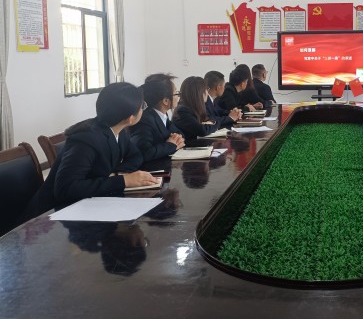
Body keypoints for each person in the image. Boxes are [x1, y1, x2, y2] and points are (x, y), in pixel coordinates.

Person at [21, 82, 159, 221]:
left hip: (84, 206)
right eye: (142, 106)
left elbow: (135, 156)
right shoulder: (86, 140)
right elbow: (66, 189)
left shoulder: (117, 130)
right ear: (130, 118)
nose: (143, 109)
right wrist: (123, 181)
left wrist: (116, 174)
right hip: (49, 217)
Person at [131, 73, 185, 162]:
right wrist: (170, 145)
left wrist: (177, 139)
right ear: (166, 101)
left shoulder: (162, 114)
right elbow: (143, 153)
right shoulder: (144, 120)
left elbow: (179, 134)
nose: (178, 96)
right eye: (176, 93)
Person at [172, 76, 219, 141]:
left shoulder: (196, 106)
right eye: (205, 90)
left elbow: (213, 119)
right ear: (199, 93)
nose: (207, 93)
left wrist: (211, 123)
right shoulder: (182, 111)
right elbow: (202, 131)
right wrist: (212, 124)